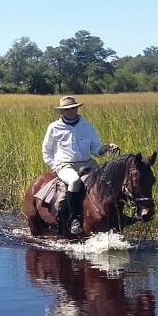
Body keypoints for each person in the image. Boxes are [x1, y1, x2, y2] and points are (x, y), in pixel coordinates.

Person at [41, 96, 119, 235]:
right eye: (67, 109)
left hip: (88, 162)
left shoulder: (87, 126)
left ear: (77, 108)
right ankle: (74, 219)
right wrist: (55, 166)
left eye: (73, 108)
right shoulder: (54, 127)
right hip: (65, 164)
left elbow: (96, 149)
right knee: (75, 181)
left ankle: (116, 215)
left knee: (107, 181)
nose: (71, 111)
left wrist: (106, 148)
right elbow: (47, 150)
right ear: (62, 112)